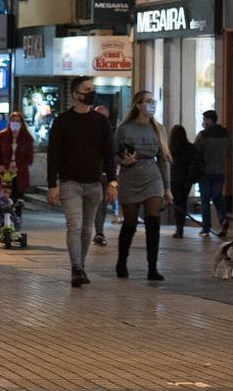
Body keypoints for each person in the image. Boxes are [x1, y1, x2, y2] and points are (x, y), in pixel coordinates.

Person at [45, 81, 115, 285]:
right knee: (74, 226)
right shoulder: (63, 121)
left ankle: (81, 265)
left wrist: (112, 181)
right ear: (75, 94)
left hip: (94, 184)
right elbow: (53, 154)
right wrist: (52, 184)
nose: (91, 93)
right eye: (87, 90)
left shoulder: (100, 122)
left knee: (87, 229)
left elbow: (109, 154)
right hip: (70, 183)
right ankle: (76, 267)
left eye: (93, 89)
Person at [112, 90, 172, 281]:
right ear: (138, 105)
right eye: (148, 101)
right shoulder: (124, 129)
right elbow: (112, 153)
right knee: (129, 224)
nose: (152, 104)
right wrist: (123, 162)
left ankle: (152, 267)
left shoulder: (158, 129)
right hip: (130, 176)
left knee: (153, 221)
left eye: (153, 101)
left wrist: (167, 188)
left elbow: (163, 160)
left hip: (152, 175)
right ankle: (122, 262)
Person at [196, 110, 232, 238]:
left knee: (205, 200)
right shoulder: (225, 134)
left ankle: (206, 228)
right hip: (220, 171)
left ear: (210, 120)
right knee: (217, 197)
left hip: (205, 172)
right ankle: (223, 220)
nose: (203, 122)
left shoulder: (203, 135)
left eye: (205, 120)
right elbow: (230, 151)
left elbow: (196, 152)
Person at [0, 109, 33, 208]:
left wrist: (18, 167)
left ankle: (16, 221)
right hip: (4, 174)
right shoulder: (2, 136)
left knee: (16, 203)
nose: (15, 123)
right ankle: (2, 220)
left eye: (18, 121)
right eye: (13, 121)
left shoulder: (27, 138)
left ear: (22, 123)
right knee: (3, 202)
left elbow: (29, 158)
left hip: (19, 174)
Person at [167, 123, 201, 237]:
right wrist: (190, 179)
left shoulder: (170, 149)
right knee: (183, 203)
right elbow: (195, 164)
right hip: (186, 181)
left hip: (174, 180)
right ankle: (180, 227)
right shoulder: (190, 148)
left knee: (177, 204)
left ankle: (179, 228)